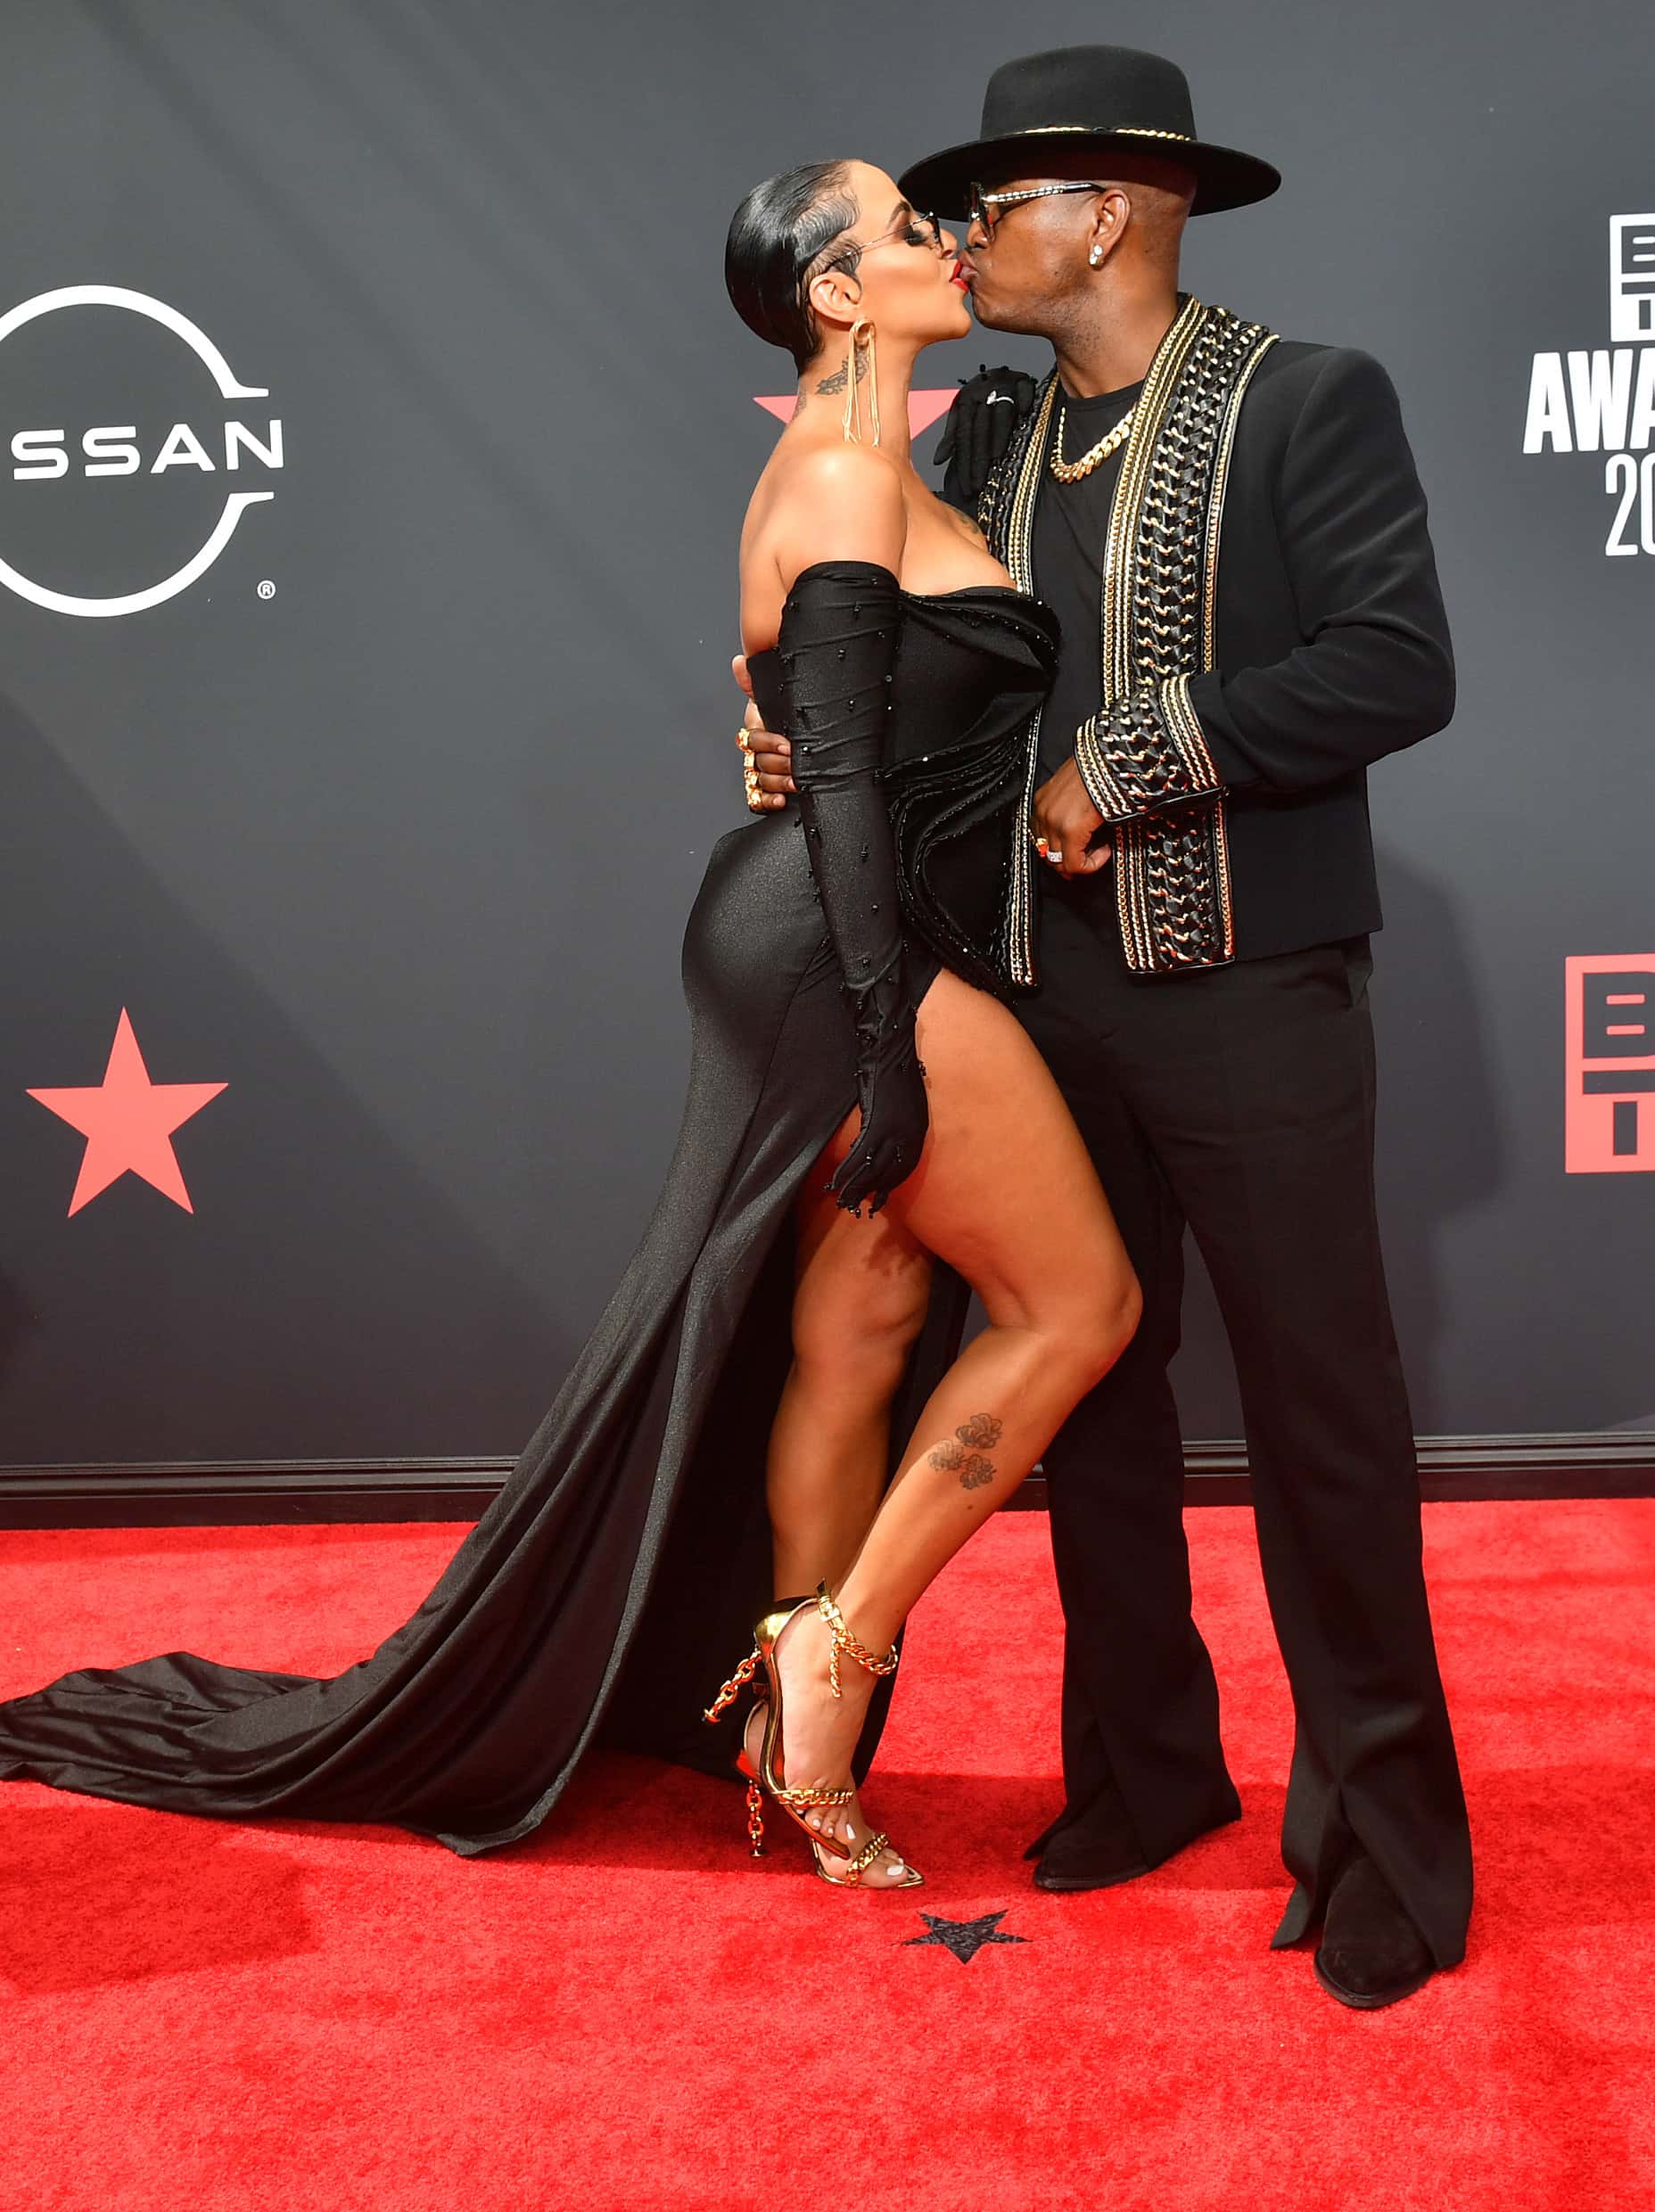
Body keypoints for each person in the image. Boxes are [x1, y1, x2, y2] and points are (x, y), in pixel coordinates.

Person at [0, 159, 1140, 1893]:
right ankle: (831, 1648)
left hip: (839, 929)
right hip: (850, 952)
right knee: (1079, 1304)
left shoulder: (879, 460)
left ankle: (784, 1727)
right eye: (910, 228)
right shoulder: (837, 468)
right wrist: (885, 1039)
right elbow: (827, 763)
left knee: (864, 1312)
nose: (945, 241)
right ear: (837, 290)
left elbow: (802, 721)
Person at [740, 45, 1473, 1998]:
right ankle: (1145, 1774)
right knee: (1102, 1405)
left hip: (1251, 992)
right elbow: (889, 649)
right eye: (949, 215)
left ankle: (1386, 1841)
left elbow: (1395, 665)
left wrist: (1128, 765)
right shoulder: (971, 435)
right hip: (1031, 1002)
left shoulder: (1303, 398)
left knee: (1324, 1420)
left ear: (1113, 214)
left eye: (999, 205)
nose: (968, 237)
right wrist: (800, 733)